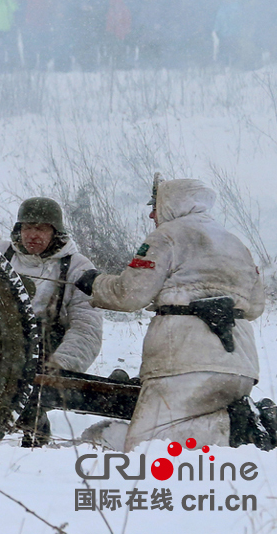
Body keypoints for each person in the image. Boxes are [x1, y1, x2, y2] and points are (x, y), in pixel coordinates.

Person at [75, 177, 264, 451]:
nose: (152, 214)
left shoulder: (166, 236)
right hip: (240, 364)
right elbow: (256, 306)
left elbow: (130, 293)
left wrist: (95, 283)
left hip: (184, 361)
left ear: (173, 202)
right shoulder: (236, 244)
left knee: (149, 446)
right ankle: (244, 424)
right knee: (194, 448)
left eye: (156, 205)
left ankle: (234, 427)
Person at [0, 197, 103, 446]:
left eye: (41, 228)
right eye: (27, 227)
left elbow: (87, 327)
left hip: (43, 351)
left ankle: (35, 437)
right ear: (18, 229)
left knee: (30, 399)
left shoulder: (77, 267)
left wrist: (59, 368)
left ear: (56, 232)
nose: (32, 235)